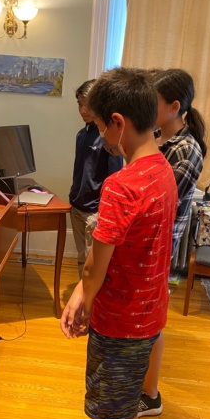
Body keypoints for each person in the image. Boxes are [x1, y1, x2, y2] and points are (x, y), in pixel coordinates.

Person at [60, 67, 178, 419]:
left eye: (98, 126)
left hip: (119, 319)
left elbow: (96, 264)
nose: (99, 135)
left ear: (117, 122)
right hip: (151, 311)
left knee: (117, 413)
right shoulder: (162, 169)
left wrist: (83, 301)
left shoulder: (121, 185)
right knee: (125, 402)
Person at [138, 68, 208, 417]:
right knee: (144, 320)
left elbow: (157, 198)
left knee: (152, 322)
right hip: (148, 244)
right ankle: (144, 386)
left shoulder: (186, 148)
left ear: (174, 106)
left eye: (154, 102)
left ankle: (150, 394)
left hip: (162, 247)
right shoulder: (158, 138)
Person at [69, 79, 124, 278]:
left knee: (95, 262)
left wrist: (104, 210)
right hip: (76, 206)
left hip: (96, 211)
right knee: (82, 257)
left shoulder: (107, 138)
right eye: (79, 104)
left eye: (87, 104)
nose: (83, 110)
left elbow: (114, 177)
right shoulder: (80, 135)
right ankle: (82, 299)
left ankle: (91, 303)